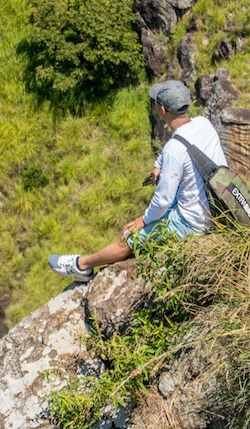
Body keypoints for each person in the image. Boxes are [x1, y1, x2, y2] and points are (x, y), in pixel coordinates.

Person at [48, 80, 226, 282]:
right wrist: (160, 164)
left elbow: (163, 200)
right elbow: (186, 146)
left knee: (127, 238)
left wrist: (144, 220)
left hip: (193, 223)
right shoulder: (204, 124)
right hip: (213, 207)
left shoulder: (174, 150)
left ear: (162, 109)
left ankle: (82, 266)